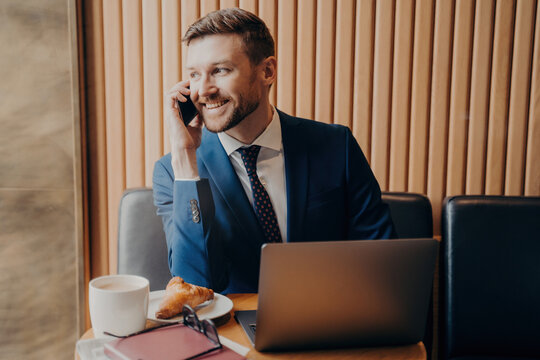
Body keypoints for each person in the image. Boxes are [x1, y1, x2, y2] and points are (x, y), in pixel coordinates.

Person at [153, 8, 396, 294]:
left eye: (220, 70)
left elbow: (380, 260)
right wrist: (184, 157)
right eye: (194, 74)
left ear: (267, 71)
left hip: (329, 324)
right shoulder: (174, 172)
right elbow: (195, 286)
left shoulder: (336, 146)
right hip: (232, 333)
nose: (203, 90)